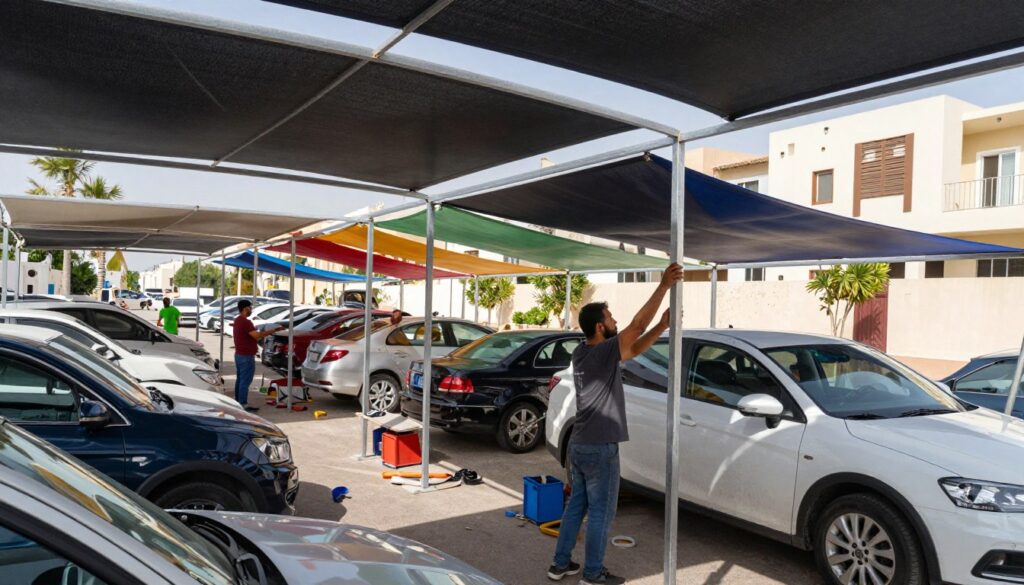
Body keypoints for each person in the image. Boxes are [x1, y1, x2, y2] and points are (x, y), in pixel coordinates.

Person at [548, 263, 684, 585]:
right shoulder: (602, 351)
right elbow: (636, 326)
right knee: (600, 513)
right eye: (610, 318)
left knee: (575, 509)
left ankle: (560, 565)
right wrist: (663, 285)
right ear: (599, 327)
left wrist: (662, 326)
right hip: (599, 447)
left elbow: (634, 347)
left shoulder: (582, 353)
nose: (615, 321)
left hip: (580, 445)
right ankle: (593, 574)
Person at [233, 299, 284, 412]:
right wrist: (271, 331)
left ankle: (237, 402)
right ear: (245, 308)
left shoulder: (238, 320)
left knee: (240, 380)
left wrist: (272, 330)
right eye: (250, 308)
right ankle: (243, 404)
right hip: (246, 356)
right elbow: (257, 336)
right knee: (245, 381)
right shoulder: (246, 322)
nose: (251, 310)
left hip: (239, 355)